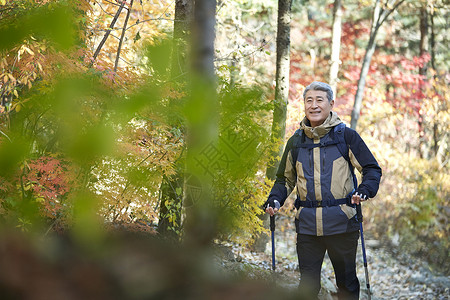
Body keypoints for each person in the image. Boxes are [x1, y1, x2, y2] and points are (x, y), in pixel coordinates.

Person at [264, 81, 382, 299]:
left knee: (346, 284)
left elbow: (371, 169)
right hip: (308, 226)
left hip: (342, 224)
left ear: (331, 103)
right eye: (309, 100)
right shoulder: (296, 142)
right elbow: (284, 180)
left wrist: (365, 189)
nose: (314, 105)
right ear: (304, 105)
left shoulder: (346, 137)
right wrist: (274, 199)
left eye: (319, 100)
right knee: (307, 287)